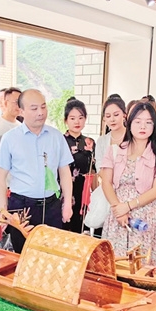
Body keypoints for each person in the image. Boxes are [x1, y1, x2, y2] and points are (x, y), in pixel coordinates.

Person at [0, 89, 73, 253]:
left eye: (43, 107)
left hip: (51, 205)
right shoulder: (10, 138)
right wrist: (3, 210)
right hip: (21, 208)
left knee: (52, 255)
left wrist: (66, 205)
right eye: (34, 108)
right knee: (23, 255)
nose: (40, 112)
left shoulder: (56, 137)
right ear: (21, 111)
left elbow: (65, 172)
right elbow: (0, 178)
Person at [100, 102, 156, 259]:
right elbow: (106, 183)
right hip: (118, 215)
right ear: (129, 123)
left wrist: (128, 206)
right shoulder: (114, 150)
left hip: (145, 217)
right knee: (115, 263)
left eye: (148, 122)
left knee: (142, 263)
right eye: (138, 121)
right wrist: (119, 210)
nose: (142, 126)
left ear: (154, 126)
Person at [61, 97, 97, 233]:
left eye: (81, 118)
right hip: (63, 192)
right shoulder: (60, 141)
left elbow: (93, 170)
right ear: (66, 120)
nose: (77, 122)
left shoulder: (90, 142)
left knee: (80, 231)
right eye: (72, 118)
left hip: (83, 192)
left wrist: (96, 195)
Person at [94, 95, 126, 173]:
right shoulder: (101, 141)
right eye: (108, 116)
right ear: (104, 118)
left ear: (124, 115)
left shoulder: (134, 137)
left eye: (116, 115)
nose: (112, 119)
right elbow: (99, 167)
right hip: (106, 180)